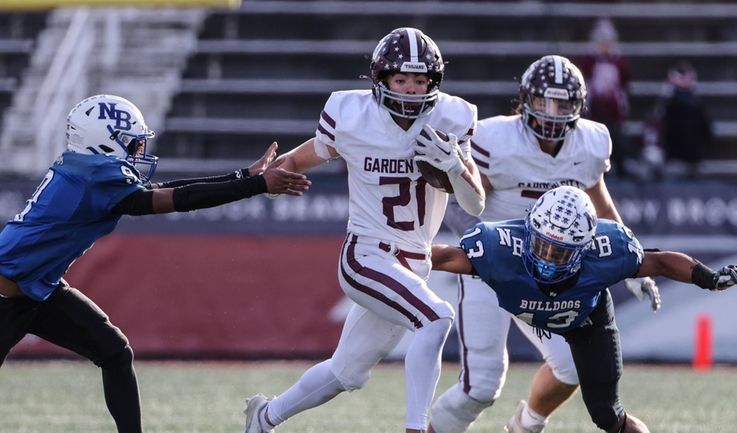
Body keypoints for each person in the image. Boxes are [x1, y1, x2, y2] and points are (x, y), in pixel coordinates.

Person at [0, 94, 310, 433]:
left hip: (36, 287)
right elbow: (175, 200)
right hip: (7, 292)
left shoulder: (87, 169)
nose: (137, 151)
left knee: (114, 351)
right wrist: (254, 186)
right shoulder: (93, 176)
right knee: (114, 352)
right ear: (104, 142)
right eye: (132, 143)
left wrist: (242, 176)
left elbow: (161, 189)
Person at [241, 27, 485, 433]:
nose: (410, 89)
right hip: (367, 255)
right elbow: (301, 159)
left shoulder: (451, 120)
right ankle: (416, 428)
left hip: (414, 262)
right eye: (401, 79)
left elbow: (476, 204)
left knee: (345, 372)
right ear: (381, 79)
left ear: (434, 82)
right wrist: (256, 182)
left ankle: (263, 419)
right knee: (436, 318)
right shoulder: (352, 117)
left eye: (420, 80)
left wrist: (456, 165)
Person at [428, 55, 660, 433]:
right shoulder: (495, 139)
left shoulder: (590, 142)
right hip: (495, 268)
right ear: (524, 101)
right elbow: (458, 204)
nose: (553, 113)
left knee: (571, 366)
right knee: (481, 385)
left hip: (554, 271)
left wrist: (635, 264)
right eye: (544, 102)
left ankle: (526, 424)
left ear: (579, 106)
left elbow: (599, 202)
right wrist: (491, 252)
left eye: (564, 104)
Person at [431, 185, 737, 433]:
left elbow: (659, 261)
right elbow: (441, 257)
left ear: (585, 247)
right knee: (482, 383)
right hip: (518, 298)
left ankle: (528, 422)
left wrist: (709, 278)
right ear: (529, 231)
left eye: (560, 253)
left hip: (583, 320)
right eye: (542, 245)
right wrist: (390, 261)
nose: (546, 258)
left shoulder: (608, 250)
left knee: (608, 414)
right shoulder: (498, 248)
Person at [578, 18, 632, 178]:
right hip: (595, 110)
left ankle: (619, 168)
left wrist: (622, 111)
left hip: (613, 111)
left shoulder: (620, 62)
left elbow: (623, 88)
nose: (604, 46)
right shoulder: (589, 62)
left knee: (616, 138)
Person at [641, 60, 713, 179]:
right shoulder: (665, 103)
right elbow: (653, 128)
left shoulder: (697, 104)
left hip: (691, 159)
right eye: (681, 77)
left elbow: (707, 131)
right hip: (671, 159)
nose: (683, 81)